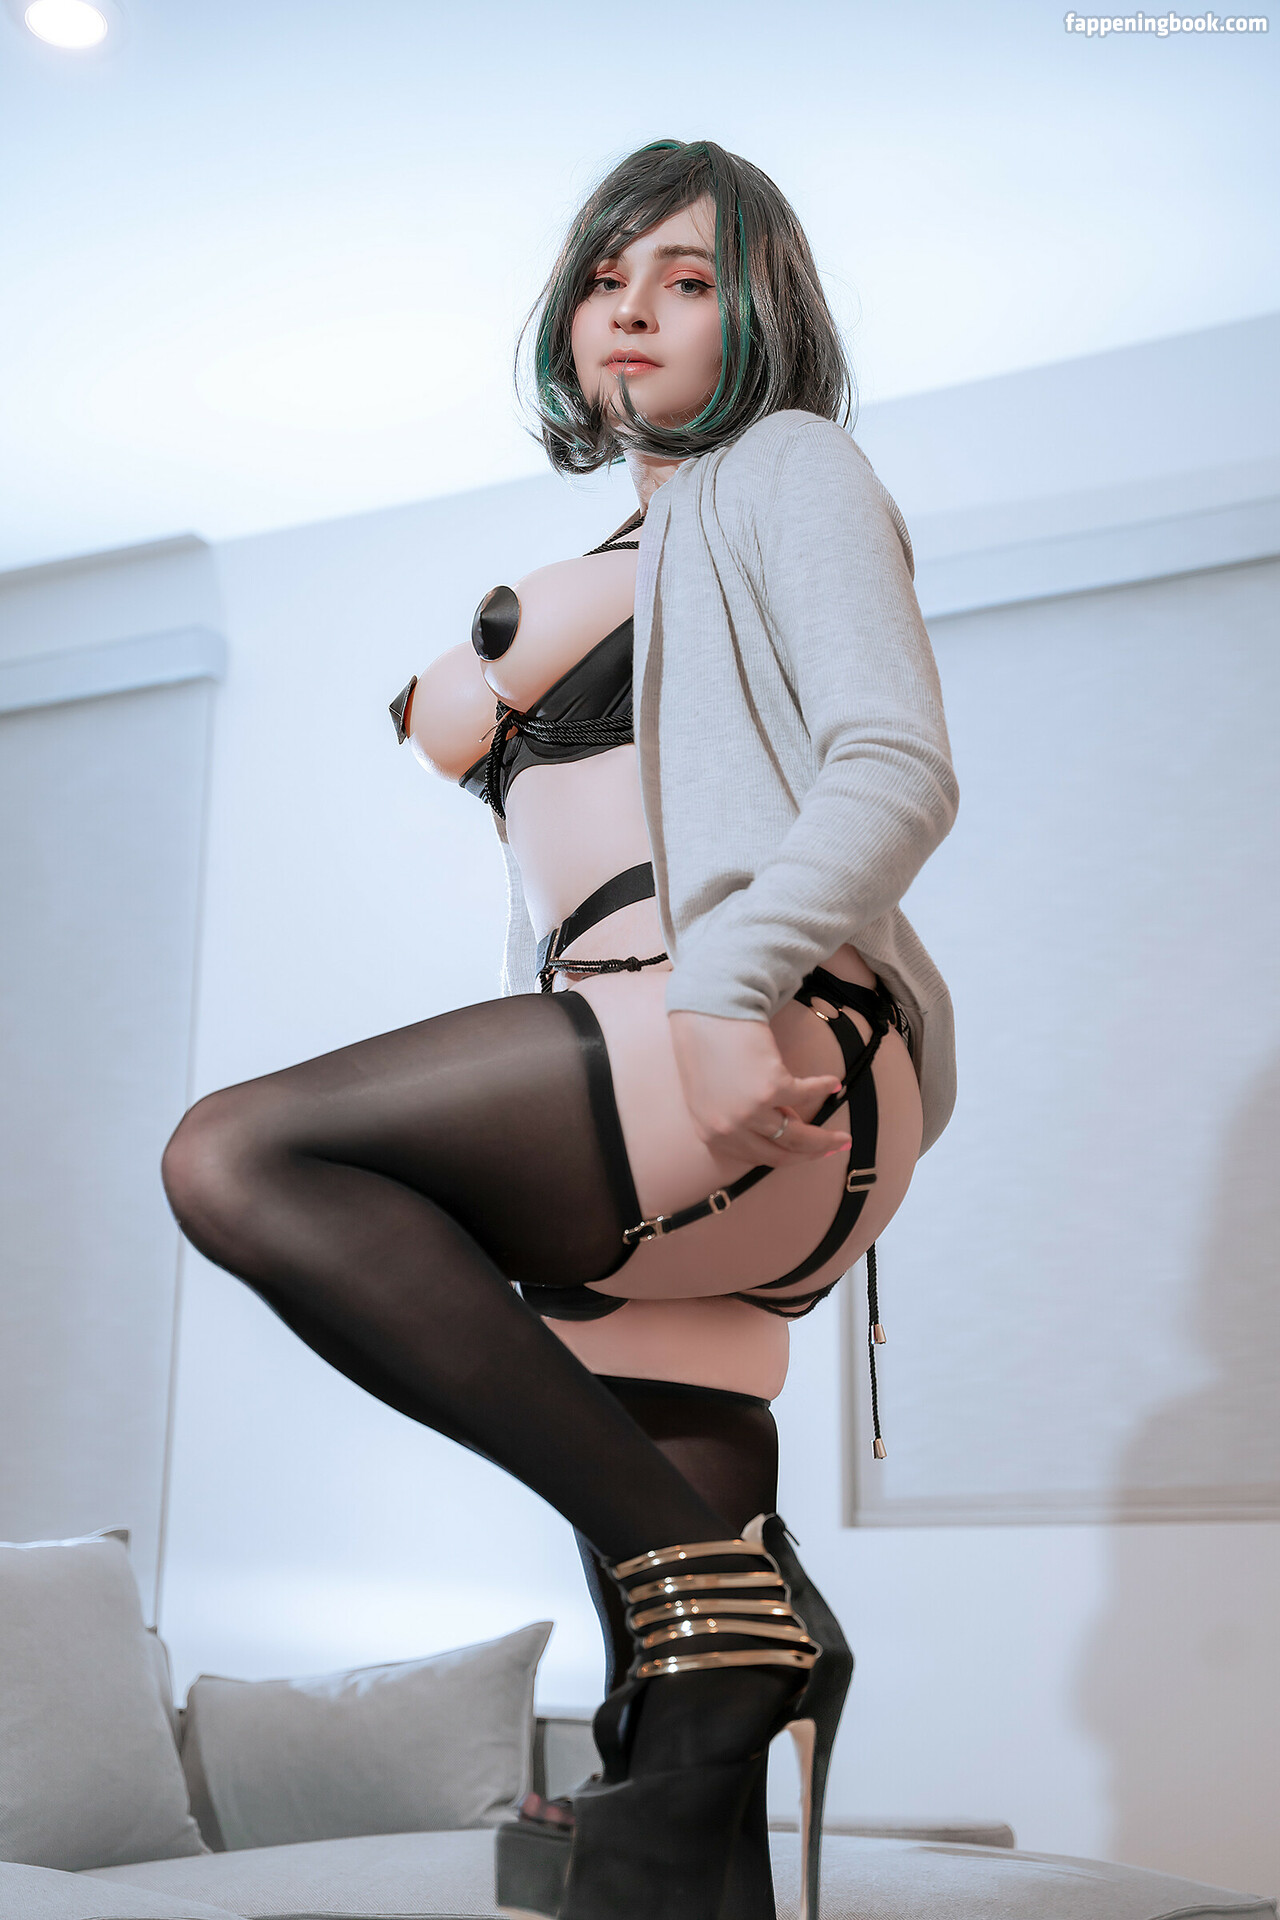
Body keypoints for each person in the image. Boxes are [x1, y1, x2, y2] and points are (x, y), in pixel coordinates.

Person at [160, 138, 959, 1920]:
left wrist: (731, 988)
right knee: (668, 1706)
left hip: (740, 1019)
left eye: (689, 278)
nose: (634, 310)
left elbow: (897, 764)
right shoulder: (642, 529)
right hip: (661, 1071)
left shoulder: (787, 468)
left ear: (762, 313)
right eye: (608, 277)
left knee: (240, 1156)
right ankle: (708, 1709)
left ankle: (736, 1602)